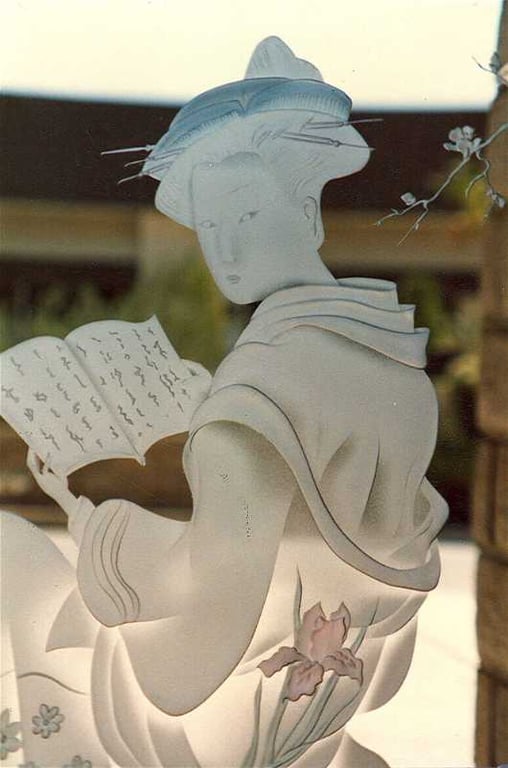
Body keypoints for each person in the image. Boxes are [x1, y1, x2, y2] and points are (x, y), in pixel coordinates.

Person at [1, 37, 447, 767]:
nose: (227, 251)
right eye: (210, 229)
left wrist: (103, 536)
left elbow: (200, 647)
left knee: (10, 556)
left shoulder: (261, 393)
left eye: (245, 217)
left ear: (308, 212)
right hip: (333, 701)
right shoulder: (396, 369)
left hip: (233, 723)